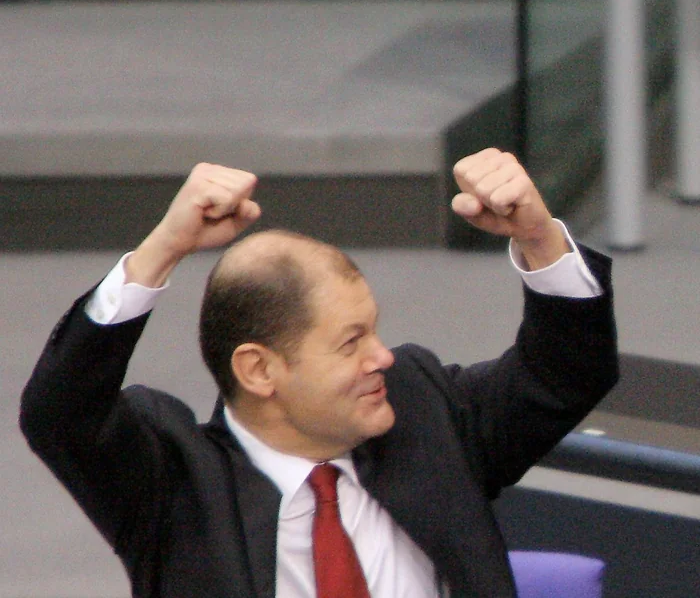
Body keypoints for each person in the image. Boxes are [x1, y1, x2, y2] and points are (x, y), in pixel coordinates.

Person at [19, 148, 619, 598]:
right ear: (259, 370)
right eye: (350, 343)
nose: (381, 357)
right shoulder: (176, 484)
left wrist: (538, 237)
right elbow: (60, 413)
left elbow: (564, 374)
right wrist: (162, 250)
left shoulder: (421, 411)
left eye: (374, 331)